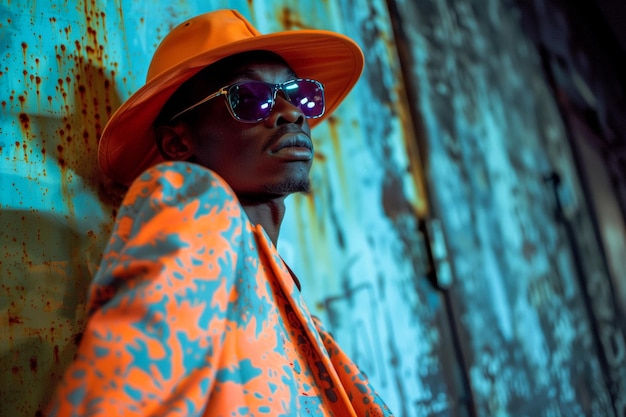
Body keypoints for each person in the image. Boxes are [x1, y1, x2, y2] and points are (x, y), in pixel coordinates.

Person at [45, 9, 394, 417]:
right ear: (177, 144)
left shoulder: (307, 328)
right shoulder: (195, 204)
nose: (292, 112)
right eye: (248, 98)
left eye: (299, 95)